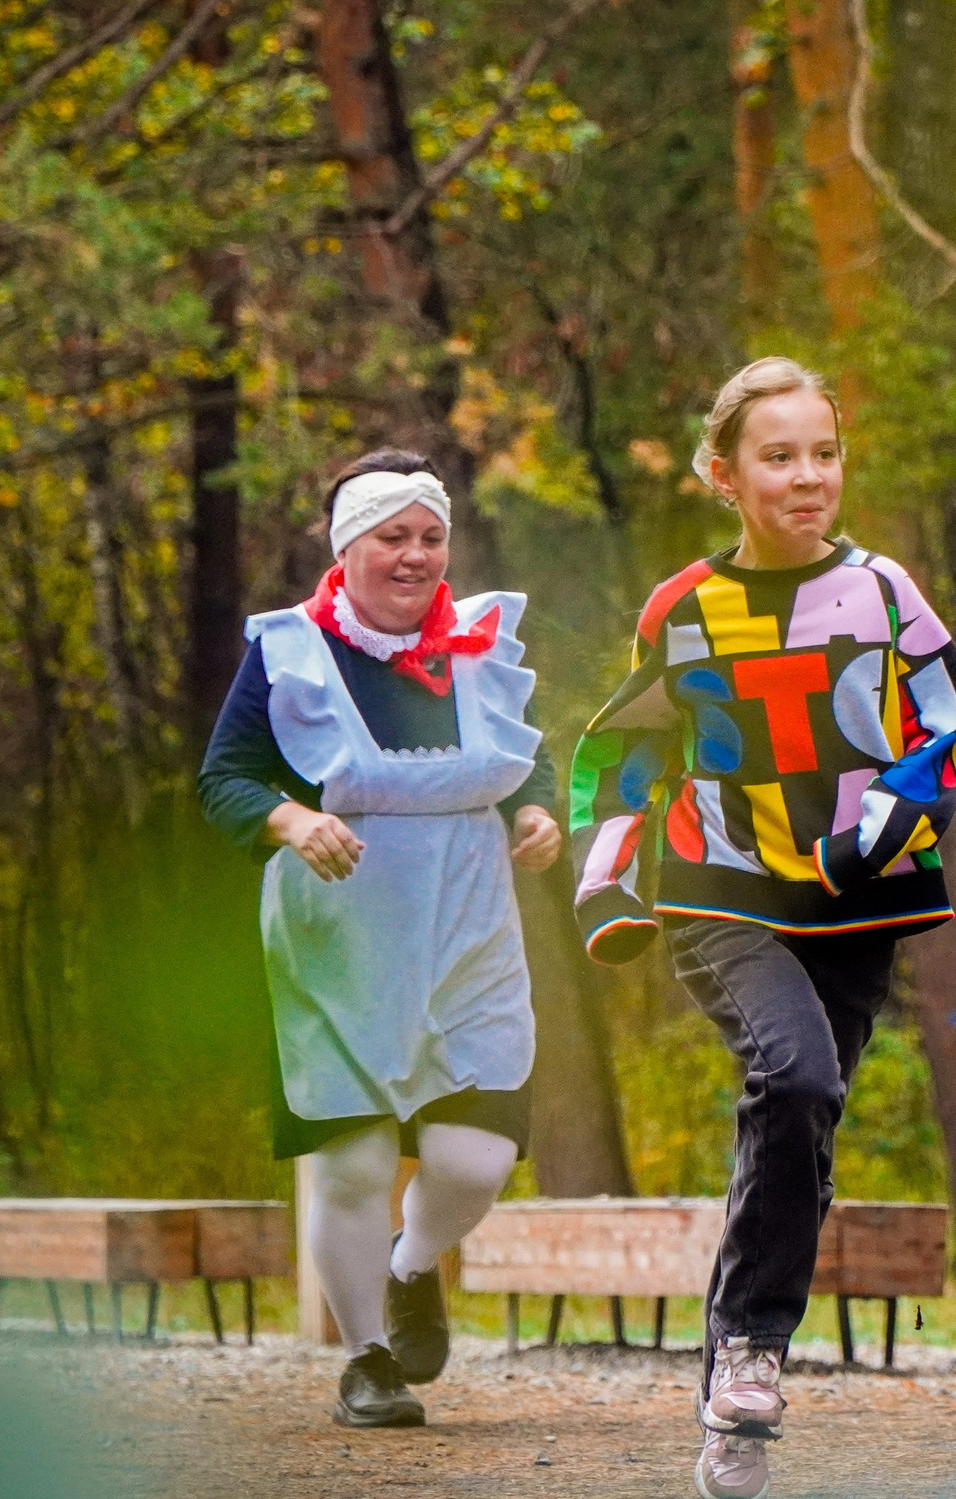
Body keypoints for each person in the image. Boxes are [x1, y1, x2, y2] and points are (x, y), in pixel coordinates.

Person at [568, 359, 956, 1499]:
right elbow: (625, 751)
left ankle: (730, 1419)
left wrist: (894, 817)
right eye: (779, 456)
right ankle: (752, 1347)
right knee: (793, 1080)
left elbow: (948, 721)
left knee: (800, 1123)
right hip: (723, 887)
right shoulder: (683, 610)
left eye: (824, 454)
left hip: (858, 895)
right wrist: (608, 887)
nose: (807, 478)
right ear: (723, 474)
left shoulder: (885, 592)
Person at [198, 449, 562, 1429]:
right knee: (353, 1161)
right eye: (391, 536)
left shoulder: (483, 645)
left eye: (429, 536)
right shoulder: (289, 656)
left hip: (468, 930)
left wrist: (537, 816)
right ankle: (366, 1358)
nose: (413, 556)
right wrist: (291, 822)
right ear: (346, 546)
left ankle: (413, 1267)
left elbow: (527, 766)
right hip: (339, 936)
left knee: (473, 1159)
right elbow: (224, 780)